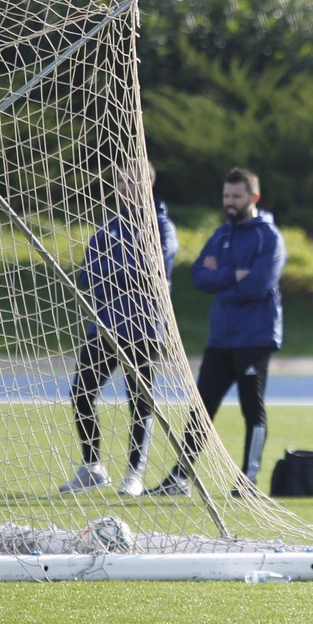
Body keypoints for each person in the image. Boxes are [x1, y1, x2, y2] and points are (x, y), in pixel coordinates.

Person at [150, 167, 287, 497]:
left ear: (253, 198)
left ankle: (248, 479)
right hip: (221, 337)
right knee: (201, 407)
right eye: (226, 196)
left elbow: (258, 284)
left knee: (251, 409)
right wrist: (234, 274)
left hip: (255, 336)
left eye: (237, 196)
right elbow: (199, 276)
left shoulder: (268, 237)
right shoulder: (222, 235)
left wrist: (225, 278)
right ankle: (180, 477)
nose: (230, 202)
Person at [59, 161, 179, 497]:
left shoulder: (162, 226)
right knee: (81, 393)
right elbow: (87, 274)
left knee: (139, 402)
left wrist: (116, 269)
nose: (126, 187)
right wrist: (122, 269)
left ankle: (134, 475)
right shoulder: (108, 227)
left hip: (143, 329)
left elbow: (153, 268)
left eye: (133, 181)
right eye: (122, 181)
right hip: (104, 327)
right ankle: (92, 467)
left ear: (149, 185)